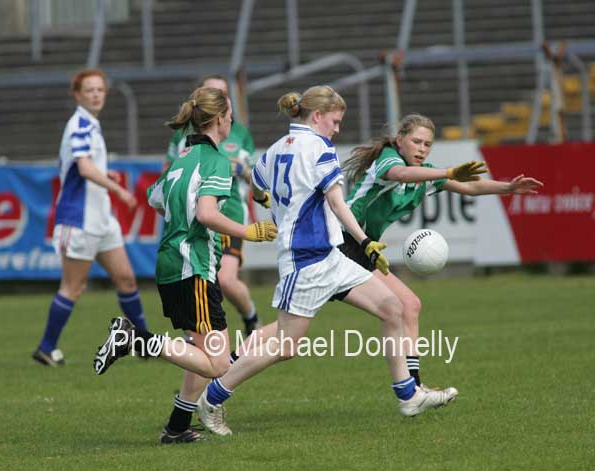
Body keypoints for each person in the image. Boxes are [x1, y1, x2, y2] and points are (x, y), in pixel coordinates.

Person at [194, 86, 455, 437]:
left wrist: (269, 200)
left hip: (329, 254)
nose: (337, 129)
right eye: (335, 121)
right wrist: (365, 242)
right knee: (286, 347)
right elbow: (337, 204)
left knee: (393, 307)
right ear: (317, 116)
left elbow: (255, 183)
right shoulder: (320, 149)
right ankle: (212, 397)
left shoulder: (275, 149)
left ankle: (408, 396)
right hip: (307, 260)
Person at [92, 86, 277, 444]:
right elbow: (207, 214)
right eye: (230, 115)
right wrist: (248, 231)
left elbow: (156, 199)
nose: (232, 121)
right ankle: (135, 340)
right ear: (221, 119)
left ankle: (177, 427)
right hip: (192, 268)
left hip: (172, 263)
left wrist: (184, 215)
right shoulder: (215, 160)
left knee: (201, 352)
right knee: (220, 364)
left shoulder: (182, 157)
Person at [340, 113, 544, 391]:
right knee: (291, 333)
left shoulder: (423, 176)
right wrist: (447, 172)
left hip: (364, 249)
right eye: (416, 141)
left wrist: (507, 187)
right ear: (400, 141)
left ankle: (414, 388)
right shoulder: (389, 159)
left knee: (409, 305)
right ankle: (410, 391)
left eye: (427, 145)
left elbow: (471, 186)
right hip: (340, 242)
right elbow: (400, 173)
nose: (422, 149)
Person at [33, 68, 148, 367]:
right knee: (73, 287)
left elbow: (85, 166)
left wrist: (104, 171)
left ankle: (143, 340)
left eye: (100, 89)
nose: (96, 94)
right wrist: (119, 190)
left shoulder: (90, 124)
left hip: (101, 218)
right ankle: (46, 348)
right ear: (77, 94)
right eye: (90, 90)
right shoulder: (80, 125)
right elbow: (84, 169)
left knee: (126, 279)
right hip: (79, 219)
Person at [167, 75, 263, 338]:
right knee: (201, 284)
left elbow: (254, 176)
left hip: (229, 214)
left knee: (225, 280)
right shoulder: (183, 138)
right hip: (197, 224)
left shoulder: (239, 134)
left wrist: (241, 169)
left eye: (224, 93)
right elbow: (167, 183)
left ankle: (250, 318)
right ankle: (198, 334)